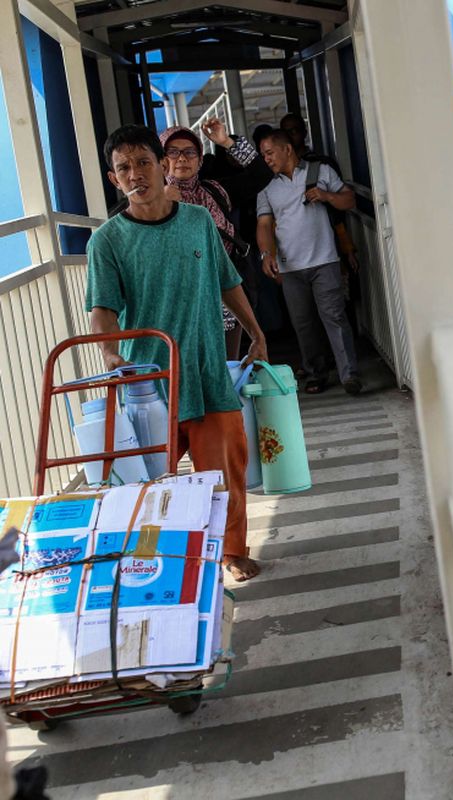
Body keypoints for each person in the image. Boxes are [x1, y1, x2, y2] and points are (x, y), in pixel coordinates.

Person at [86, 124, 266, 582]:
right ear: (114, 179)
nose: (135, 174)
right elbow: (103, 309)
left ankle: (232, 552)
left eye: (144, 162)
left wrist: (255, 331)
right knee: (150, 481)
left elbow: (228, 281)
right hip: (149, 382)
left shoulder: (197, 221)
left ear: (162, 166)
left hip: (206, 371)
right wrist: (110, 355)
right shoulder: (106, 241)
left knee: (226, 468)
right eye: (124, 168)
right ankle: (156, 560)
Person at [256, 130, 362, 395]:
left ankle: (349, 375)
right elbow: (264, 225)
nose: (266, 159)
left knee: (335, 317)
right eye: (263, 155)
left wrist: (327, 197)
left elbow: (348, 200)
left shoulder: (320, 171)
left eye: (269, 153)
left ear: (287, 149)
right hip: (290, 267)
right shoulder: (266, 188)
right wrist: (266, 254)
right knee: (303, 323)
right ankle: (316, 373)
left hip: (325, 260)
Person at [160, 120, 273, 360]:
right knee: (187, 368)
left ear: (200, 160)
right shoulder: (151, 203)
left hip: (225, 300)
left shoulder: (216, 191)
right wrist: (164, 204)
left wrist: (226, 142)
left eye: (190, 152)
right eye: (173, 152)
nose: (182, 158)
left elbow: (261, 174)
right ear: (162, 161)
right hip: (179, 303)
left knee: (225, 367)